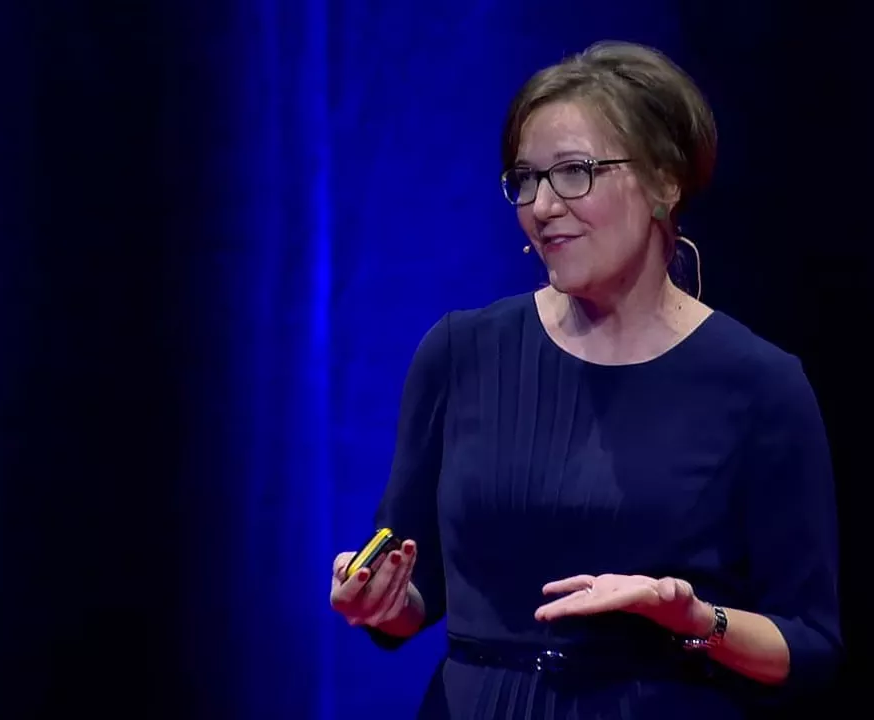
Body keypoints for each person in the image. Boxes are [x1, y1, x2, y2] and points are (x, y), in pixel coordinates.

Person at [329, 40, 842, 719]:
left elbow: (806, 644)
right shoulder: (460, 352)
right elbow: (415, 587)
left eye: (574, 172)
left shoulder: (758, 384)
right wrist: (380, 601)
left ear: (664, 182)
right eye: (525, 179)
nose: (542, 206)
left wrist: (693, 619)